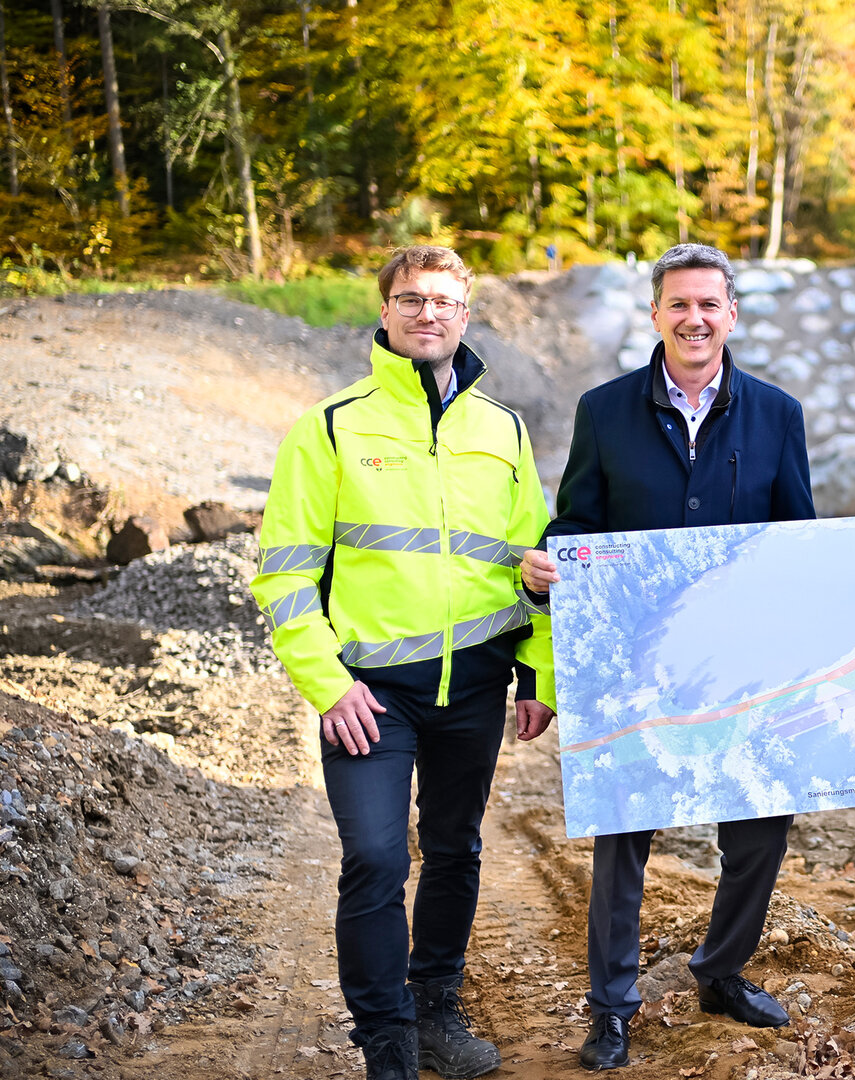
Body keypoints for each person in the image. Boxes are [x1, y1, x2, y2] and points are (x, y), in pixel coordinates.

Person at [251, 245, 556, 1080]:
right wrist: (327, 682)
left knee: (454, 847)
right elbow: (283, 577)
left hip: (476, 688)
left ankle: (436, 1009)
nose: (428, 314)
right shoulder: (331, 428)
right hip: (370, 696)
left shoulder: (505, 430)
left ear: (466, 316)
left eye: (444, 302)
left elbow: (531, 563)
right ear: (384, 311)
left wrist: (538, 675)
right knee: (379, 857)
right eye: (410, 299)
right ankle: (386, 1041)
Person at [520, 242, 815, 1071]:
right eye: (678, 304)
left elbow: (795, 536)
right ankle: (611, 1006)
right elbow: (578, 519)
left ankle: (720, 969)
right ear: (655, 314)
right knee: (623, 834)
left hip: (741, 663)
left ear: (731, 315)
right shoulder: (604, 410)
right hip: (633, 662)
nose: (693, 319)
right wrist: (549, 563)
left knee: (760, 825)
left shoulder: (775, 414)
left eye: (708, 305)